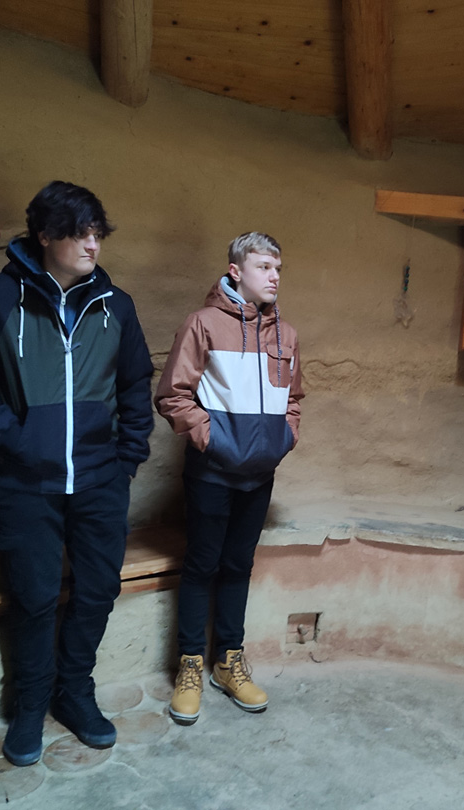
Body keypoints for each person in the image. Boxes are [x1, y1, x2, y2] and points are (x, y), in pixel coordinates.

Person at [0, 181, 153, 767]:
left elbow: (136, 385)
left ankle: (74, 692)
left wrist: (127, 458)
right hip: (23, 481)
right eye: (80, 233)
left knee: (99, 588)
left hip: (100, 479)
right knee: (32, 596)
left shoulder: (115, 306)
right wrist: (15, 437)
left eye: (97, 234)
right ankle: (31, 702)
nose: (92, 245)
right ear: (44, 235)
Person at [155, 232, 304, 725]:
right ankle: (190, 665)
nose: (274, 277)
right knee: (202, 565)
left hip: (260, 475)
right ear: (236, 271)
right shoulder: (203, 324)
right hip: (212, 473)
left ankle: (228, 662)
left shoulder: (286, 335)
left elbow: (294, 399)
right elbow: (173, 395)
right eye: (264, 267)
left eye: (277, 268)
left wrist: (284, 438)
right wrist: (214, 441)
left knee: (239, 565)